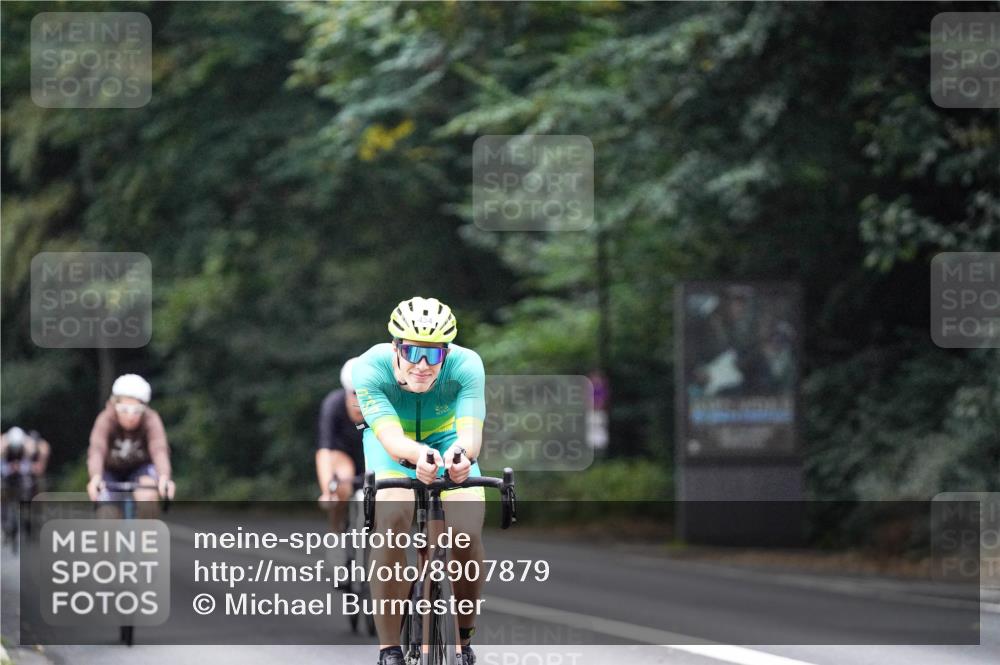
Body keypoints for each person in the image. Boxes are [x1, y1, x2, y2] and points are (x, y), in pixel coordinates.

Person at [354, 297, 485, 665]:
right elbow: (391, 438)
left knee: (466, 532)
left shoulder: (467, 365)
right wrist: (416, 456)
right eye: (413, 351)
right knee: (393, 516)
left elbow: (470, 433)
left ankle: (464, 637)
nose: (423, 365)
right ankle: (389, 648)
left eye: (434, 354)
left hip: (447, 440)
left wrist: (461, 457)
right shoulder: (370, 367)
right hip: (391, 445)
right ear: (396, 347)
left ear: (447, 352)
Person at [86, 374, 175, 518]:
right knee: (107, 514)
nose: (130, 416)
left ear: (144, 408)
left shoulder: (151, 419)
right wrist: (95, 476)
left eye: (136, 410)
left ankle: (147, 531)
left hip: (141, 468)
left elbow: (159, 449)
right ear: (114, 405)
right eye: (124, 409)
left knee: (147, 497)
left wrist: (164, 477)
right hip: (110, 471)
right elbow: (97, 450)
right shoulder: (105, 419)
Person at [316, 357, 366, 533]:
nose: (360, 401)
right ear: (346, 391)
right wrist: (327, 490)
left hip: (370, 454)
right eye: (355, 393)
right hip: (343, 454)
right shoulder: (333, 404)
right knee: (342, 482)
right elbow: (324, 450)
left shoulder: (379, 407)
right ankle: (336, 528)